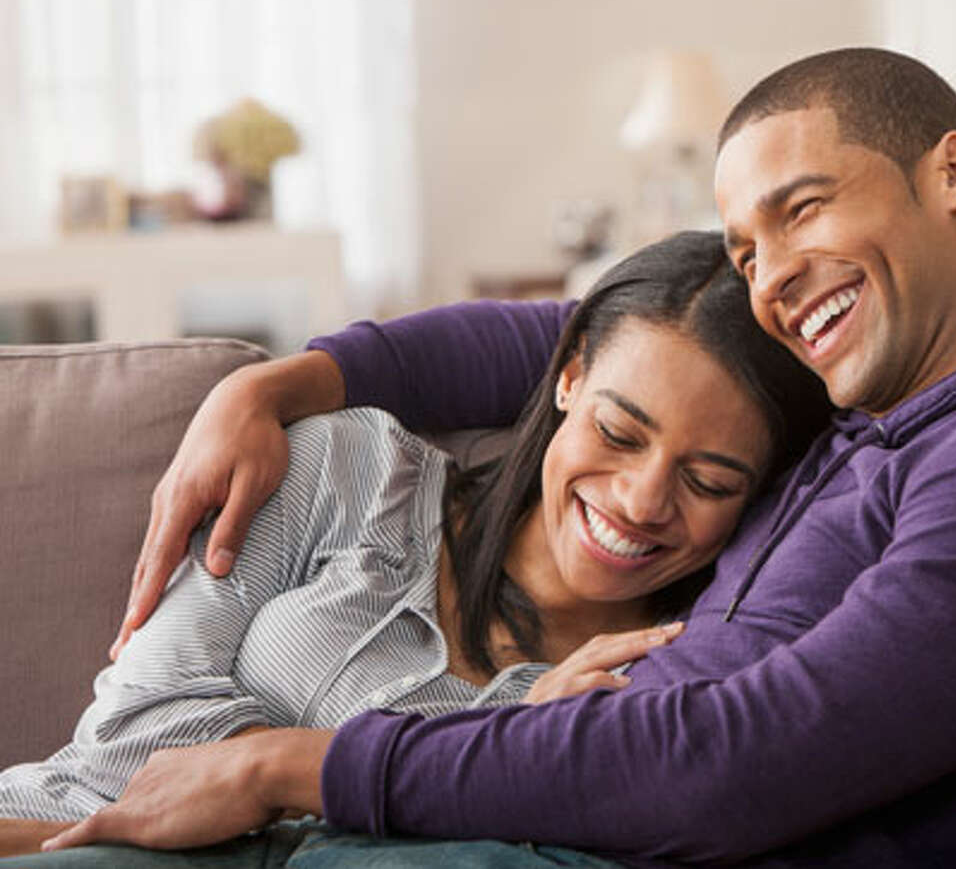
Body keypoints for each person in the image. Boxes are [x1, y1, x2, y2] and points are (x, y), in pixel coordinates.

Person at [35, 47, 956, 867]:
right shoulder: (860, 410)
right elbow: (617, 341)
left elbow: (741, 766)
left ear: (954, 174)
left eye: (803, 209)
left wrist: (300, 767)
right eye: (744, 245)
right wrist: (280, 381)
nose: (769, 280)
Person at [0, 232, 832, 860]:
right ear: (569, 376)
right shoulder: (346, 468)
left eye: (710, 482)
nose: (642, 500)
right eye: (619, 433)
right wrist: (483, 750)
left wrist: (529, 746)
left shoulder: (657, 687)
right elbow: (138, 726)